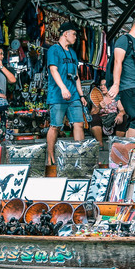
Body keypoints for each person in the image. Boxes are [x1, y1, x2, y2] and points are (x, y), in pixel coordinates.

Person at [46, 22, 87, 164]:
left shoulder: (73, 53)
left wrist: (81, 95)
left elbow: (76, 75)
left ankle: (80, 156)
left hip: (74, 95)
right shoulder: (53, 50)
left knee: (79, 123)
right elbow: (53, 70)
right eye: (74, 34)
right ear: (65, 34)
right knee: (55, 126)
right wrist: (63, 88)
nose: (76, 37)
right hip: (57, 95)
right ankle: (50, 156)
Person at [87, 79, 127, 147]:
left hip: (113, 122)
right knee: (95, 118)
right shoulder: (97, 97)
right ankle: (100, 143)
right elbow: (92, 113)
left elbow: (122, 110)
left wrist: (120, 114)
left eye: (104, 85)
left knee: (123, 117)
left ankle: (117, 144)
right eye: (101, 85)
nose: (102, 87)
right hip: (101, 123)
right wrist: (99, 107)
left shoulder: (115, 97)